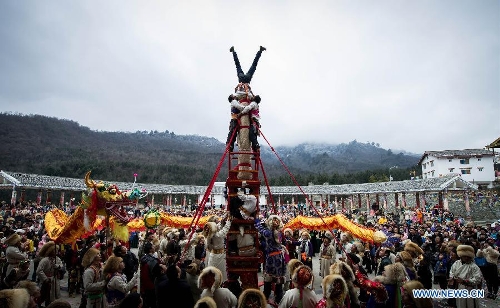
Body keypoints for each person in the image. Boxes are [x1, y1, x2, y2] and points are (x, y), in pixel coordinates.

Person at [255, 215, 286, 303]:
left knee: (268, 279)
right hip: (280, 257)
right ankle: (279, 297)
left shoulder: (268, 233)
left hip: (271, 258)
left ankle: (265, 296)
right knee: (278, 279)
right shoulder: (279, 232)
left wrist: (256, 219)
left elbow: (260, 228)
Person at [203, 214, 232, 283]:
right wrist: (229, 221)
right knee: (219, 274)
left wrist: (224, 217)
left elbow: (219, 225)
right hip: (218, 256)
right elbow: (225, 230)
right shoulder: (216, 235)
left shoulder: (211, 233)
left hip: (215, 255)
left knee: (217, 273)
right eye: (216, 221)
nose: (218, 222)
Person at [36, 241, 63, 306]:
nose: (56, 252)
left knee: (54, 295)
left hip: (55, 279)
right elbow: (39, 271)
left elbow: (61, 265)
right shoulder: (45, 260)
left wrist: (58, 266)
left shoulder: (57, 259)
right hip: (46, 281)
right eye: (55, 250)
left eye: (57, 250)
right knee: (45, 294)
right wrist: (45, 279)